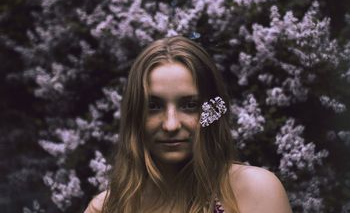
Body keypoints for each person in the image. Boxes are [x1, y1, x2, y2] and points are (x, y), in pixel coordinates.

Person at [84, 36, 293, 213]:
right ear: (135, 115)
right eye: (154, 106)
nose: (171, 125)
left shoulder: (256, 190)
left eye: (190, 105)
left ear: (212, 112)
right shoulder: (106, 208)